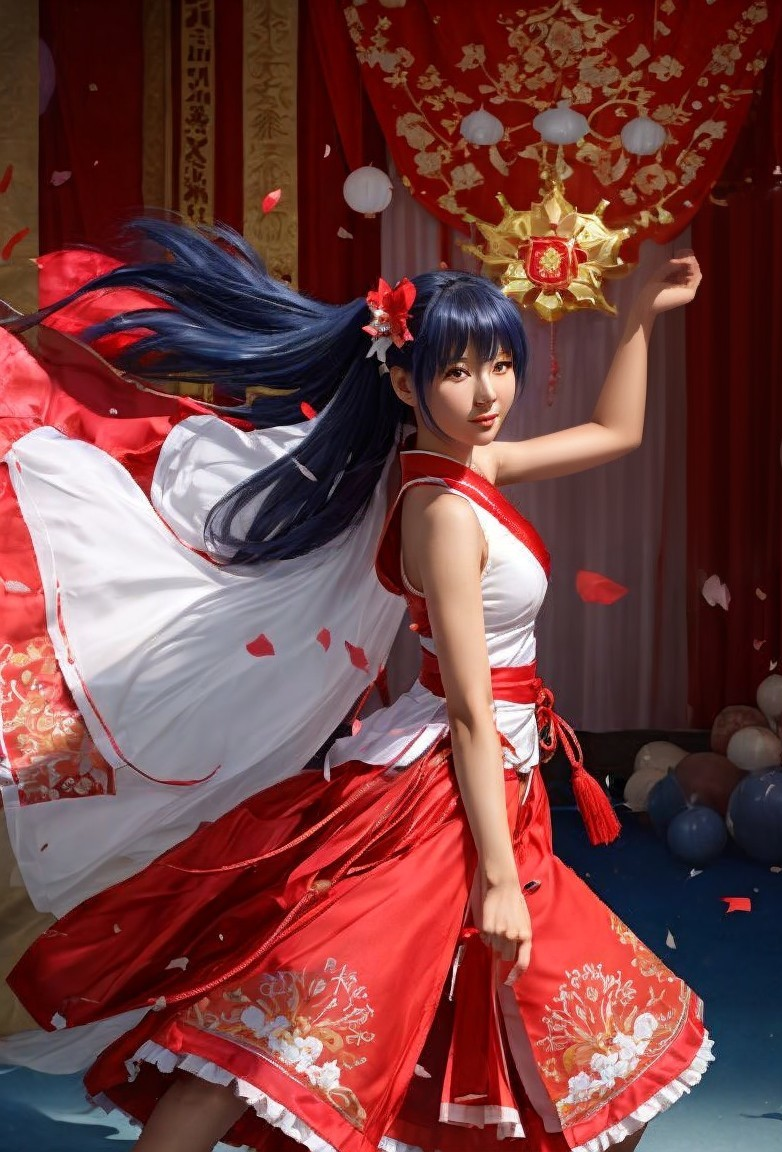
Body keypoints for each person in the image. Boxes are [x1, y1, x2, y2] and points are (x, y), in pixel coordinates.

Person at [0, 219, 707, 1152]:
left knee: (350, 1016)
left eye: (500, 363)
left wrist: (640, 322)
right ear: (406, 381)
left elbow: (618, 431)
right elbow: (463, 705)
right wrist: (495, 877)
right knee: (283, 1015)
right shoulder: (442, 512)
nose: (488, 391)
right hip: (443, 797)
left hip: (495, 780)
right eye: (458, 371)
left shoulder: (467, 466)